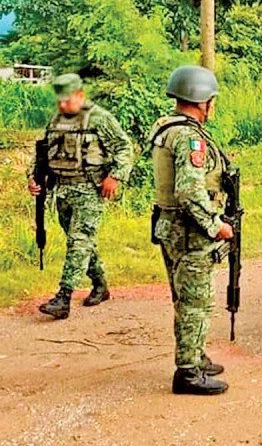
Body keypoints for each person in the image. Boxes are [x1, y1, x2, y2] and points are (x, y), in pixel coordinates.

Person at [149, 66, 233, 395]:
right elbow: (188, 190)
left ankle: (195, 356)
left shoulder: (166, 128)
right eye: (211, 101)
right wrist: (215, 225)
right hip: (189, 229)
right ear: (202, 102)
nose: (212, 106)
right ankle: (187, 373)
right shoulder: (189, 137)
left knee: (185, 298)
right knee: (196, 301)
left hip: (169, 224)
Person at [28, 73, 134, 320]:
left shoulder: (99, 118)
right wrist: (33, 179)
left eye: (67, 100)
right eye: (59, 101)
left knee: (78, 240)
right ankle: (100, 284)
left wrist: (115, 176)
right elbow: (42, 154)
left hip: (89, 190)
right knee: (83, 242)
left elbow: (124, 147)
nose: (62, 106)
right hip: (62, 190)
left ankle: (63, 297)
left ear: (80, 95)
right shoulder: (56, 120)